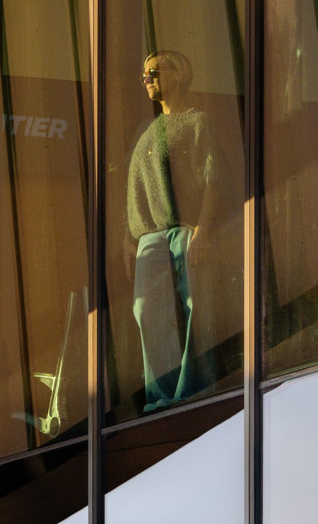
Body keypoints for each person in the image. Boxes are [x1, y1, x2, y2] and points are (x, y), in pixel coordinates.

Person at [126, 49, 222, 407]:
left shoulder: (199, 123)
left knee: (195, 304)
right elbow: (134, 185)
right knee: (147, 309)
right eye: (144, 74)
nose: (147, 79)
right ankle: (160, 395)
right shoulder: (146, 130)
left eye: (153, 70)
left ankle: (192, 390)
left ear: (179, 74)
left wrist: (203, 230)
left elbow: (214, 178)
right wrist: (128, 235)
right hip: (150, 235)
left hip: (186, 229)